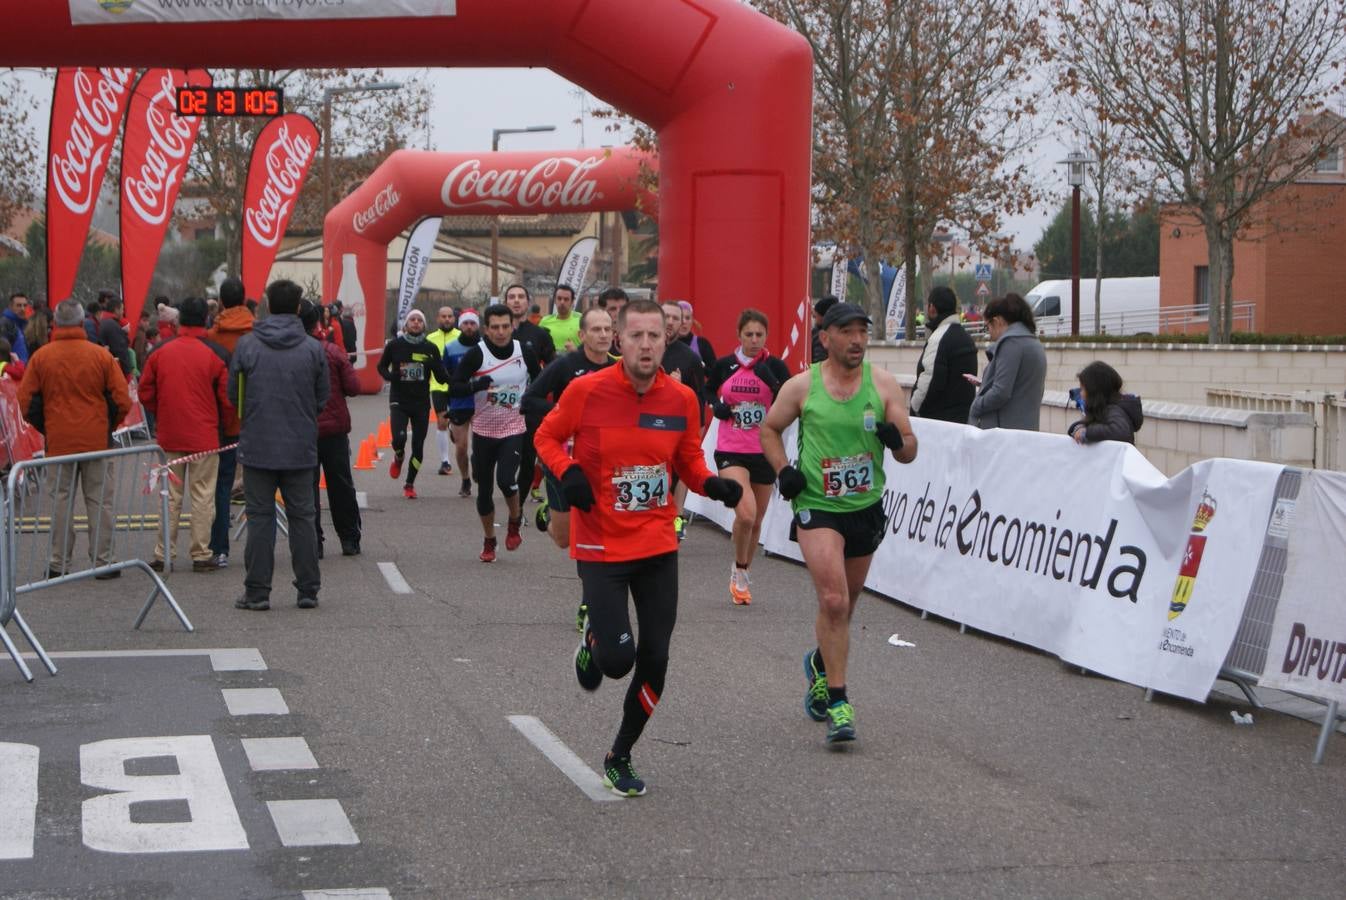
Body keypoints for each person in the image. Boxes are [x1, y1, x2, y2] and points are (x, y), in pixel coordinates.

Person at [534, 298, 743, 797]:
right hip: (601, 543)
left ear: (665, 341)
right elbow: (545, 435)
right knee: (617, 662)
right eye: (636, 336)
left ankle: (620, 754)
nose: (646, 345)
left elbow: (689, 459)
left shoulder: (682, 400)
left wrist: (712, 485)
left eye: (655, 336)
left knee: (656, 659)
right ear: (618, 340)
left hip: (655, 542)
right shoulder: (586, 391)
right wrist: (568, 473)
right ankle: (594, 645)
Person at [760, 302, 917, 746]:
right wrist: (783, 470)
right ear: (825, 338)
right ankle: (840, 702)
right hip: (817, 505)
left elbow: (910, 449)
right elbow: (769, 429)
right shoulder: (802, 386)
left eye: (862, 333)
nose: (857, 341)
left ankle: (819, 664)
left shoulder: (883, 385)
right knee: (832, 600)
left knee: (845, 608)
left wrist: (896, 441)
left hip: (864, 508)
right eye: (846, 332)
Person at [228, 279, 328, 612]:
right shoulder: (313, 348)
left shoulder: (247, 345)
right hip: (300, 446)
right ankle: (308, 589)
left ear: (267, 304)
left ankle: (257, 591)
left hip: (258, 444)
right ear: (299, 308)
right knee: (302, 517)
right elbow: (321, 398)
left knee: (260, 518)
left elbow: (233, 395)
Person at [18, 298, 131, 579]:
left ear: (54, 324)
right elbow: (122, 399)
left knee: (60, 501)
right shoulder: (101, 356)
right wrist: (107, 425)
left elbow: (26, 401)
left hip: (59, 442)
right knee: (99, 501)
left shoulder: (42, 357)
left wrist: (48, 426)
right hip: (97, 440)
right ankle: (104, 561)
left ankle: (58, 563)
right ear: (82, 323)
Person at [522, 306, 616, 630]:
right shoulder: (567, 366)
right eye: (596, 329)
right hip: (563, 460)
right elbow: (529, 400)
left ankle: (589, 603)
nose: (603, 335)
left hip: (602, 465)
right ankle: (549, 514)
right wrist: (569, 412)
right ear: (582, 334)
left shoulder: (621, 369)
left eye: (608, 329)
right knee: (565, 539)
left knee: (592, 535)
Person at [138, 297, 232, 573]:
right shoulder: (215, 353)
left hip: (170, 434)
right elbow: (227, 400)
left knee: (169, 495)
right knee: (203, 495)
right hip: (205, 436)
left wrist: (162, 412)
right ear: (206, 319)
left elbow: (145, 392)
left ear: (178, 320)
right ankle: (201, 553)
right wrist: (225, 428)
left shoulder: (160, 351)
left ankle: (163, 552)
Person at [705, 308, 790, 605]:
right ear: (739, 335)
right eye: (748, 334)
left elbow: (790, 402)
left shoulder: (775, 366)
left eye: (759, 335)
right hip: (731, 449)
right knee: (746, 513)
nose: (754, 340)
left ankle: (742, 569)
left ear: (766, 336)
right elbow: (708, 389)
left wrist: (775, 385)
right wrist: (716, 405)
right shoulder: (727, 365)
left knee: (756, 522)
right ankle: (739, 572)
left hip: (764, 450)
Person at [449, 303, 540, 562]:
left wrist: (534, 403)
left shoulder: (524, 352)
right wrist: (476, 385)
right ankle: (489, 539)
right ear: (486, 329)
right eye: (495, 327)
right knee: (485, 491)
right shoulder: (477, 355)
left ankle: (514, 519)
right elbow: (454, 386)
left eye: (505, 326)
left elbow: (541, 379)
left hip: (514, 428)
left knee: (506, 480)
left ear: (512, 326)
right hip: (484, 430)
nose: (501, 332)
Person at [302, 300, 363, 556]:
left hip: (303, 431)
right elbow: (353, 387)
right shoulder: (332, 352)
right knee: (341, 484)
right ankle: (349, 538)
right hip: (335, 429)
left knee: (307, 487)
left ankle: (313, 541)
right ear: (319, 322)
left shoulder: (291, 353)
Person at [206, 276, 254, 568]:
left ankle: (219, 548)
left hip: (223, 418)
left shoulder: (213, 337)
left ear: (222, 301)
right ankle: (261, 550)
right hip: (256, 416)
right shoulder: (257, 334)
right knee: (262, 484)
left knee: (221, 485)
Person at [377, 309, 448, 500]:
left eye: (419, 320)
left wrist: (454, 377)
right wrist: (391, 377)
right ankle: (398, 456)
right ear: (406, 325)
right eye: (412, 320)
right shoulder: (395, 345)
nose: (416, 323)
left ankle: (409, 484)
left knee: (418, 445)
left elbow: (441, 377)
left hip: (421, 402)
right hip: (399, 399)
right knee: (399, 439)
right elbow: (381, 366)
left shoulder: (430, 348)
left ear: (424, 325)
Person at [659, 301, 706, 542]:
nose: (670, 322)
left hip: (677, 426)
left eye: (675, 318)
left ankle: (676, 518)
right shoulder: (643, 349)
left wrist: (680, 388)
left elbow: (699, 397)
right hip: (646, 426)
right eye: (665, 316)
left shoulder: (689, 358)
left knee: (678, 473)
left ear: (681, 324)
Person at [967, 293, 1047, 431]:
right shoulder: (1033, 342)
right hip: (1025, 430)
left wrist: (976, 406)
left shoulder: (1010, 343)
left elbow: (1001, 392)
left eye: (988, 326)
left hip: (1004, 433)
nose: (989, 333)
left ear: (997, 321)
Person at [505, 283, 555, 501]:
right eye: (511, 297)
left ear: (527, 302)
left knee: (527, 458)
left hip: (529, 406)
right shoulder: (495, 333)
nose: (516, 300)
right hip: (500, 405)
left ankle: (520, 508)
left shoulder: (540, 334)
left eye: (520, 297)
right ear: (506, 302)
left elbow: (553, 369)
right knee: (496, 461)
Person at [910, 286, 978, 423]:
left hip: (938, 426)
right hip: (963, 422)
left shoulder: (938, 339)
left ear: (932, 308)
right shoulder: (967, 339)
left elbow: (929, 381)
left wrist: (914, 408)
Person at [441, 310, 479, 497]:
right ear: (460, 325)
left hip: (480, 401)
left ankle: (478, 467)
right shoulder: (451, 347)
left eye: (473, 323)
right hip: (459, 401)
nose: (469, 327)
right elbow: (445, 375)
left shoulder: (484, 346)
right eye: (466, 323)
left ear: (477, 325)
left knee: (480, 447)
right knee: (462, 446)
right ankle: (465, 479)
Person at [1068, 361, 1143, 445]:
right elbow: (1087, 423)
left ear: (1094, 391)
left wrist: (1087, 433)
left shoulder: (1113, 410)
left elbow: (1120, 432)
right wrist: (1078, 428)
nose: (1080, 394)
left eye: (1082, 389)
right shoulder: (1102, 410)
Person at [426, 305, 460, 476]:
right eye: (443, 316)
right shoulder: (430, 338)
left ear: (454, 319)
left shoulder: (461, 337)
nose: (447, 319)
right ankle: (445, 461)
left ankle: (454, 427)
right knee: (441, 421)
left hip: (456, 386)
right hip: (437, 386)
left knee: (456, 422)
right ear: (438, 318)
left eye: (450, 316)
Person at [674, 300, 716, 370]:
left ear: (692, 321)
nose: (684, 322)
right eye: (680, 318)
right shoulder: (666, 344)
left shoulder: (702, 343)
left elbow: (715, 373)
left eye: (687, 318)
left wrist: (701, 365)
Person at [97, 293, 132, 377]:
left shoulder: (104, 322)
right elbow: (120, 350)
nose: (123, 312)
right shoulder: (112, 325)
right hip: (116, 371)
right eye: (122, 309)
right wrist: (127, 372)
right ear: (116, 310)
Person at [539, 284, 581, 353]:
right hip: (551, 363)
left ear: (572, 302)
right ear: (555, 300)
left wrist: (576, 351)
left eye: (566, 299)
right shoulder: (545, 321)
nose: (562, 302)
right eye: (559, 298)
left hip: (575, 362)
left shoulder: (582, 320)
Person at [1, 293, 32, 362]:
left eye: (25, 305)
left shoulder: (23, 324)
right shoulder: (5, 324)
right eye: (18, 305)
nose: (22, 309)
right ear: (11, 307)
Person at [811, 295, 838, 364]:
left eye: (816, 316)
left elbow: (819, 361)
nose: (814, 318)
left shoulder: (820, 335)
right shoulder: (838, 331)